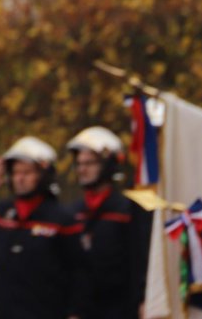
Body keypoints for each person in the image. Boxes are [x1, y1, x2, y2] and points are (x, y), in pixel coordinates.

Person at [0, 136, 81, 319]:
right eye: (15, 172)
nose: (20, 178)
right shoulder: (0, 212)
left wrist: (76, 312)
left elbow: (79, 273)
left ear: (44, 174)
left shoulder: (63, 219)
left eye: (27, 172)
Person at [65, 126, 150, 319]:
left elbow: (139, 261)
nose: (82, 169)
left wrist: (143, 299)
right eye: (79, 164)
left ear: (109, 163)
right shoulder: (73, 212)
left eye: (90, 163)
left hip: (121, 310)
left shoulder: (127, 210)